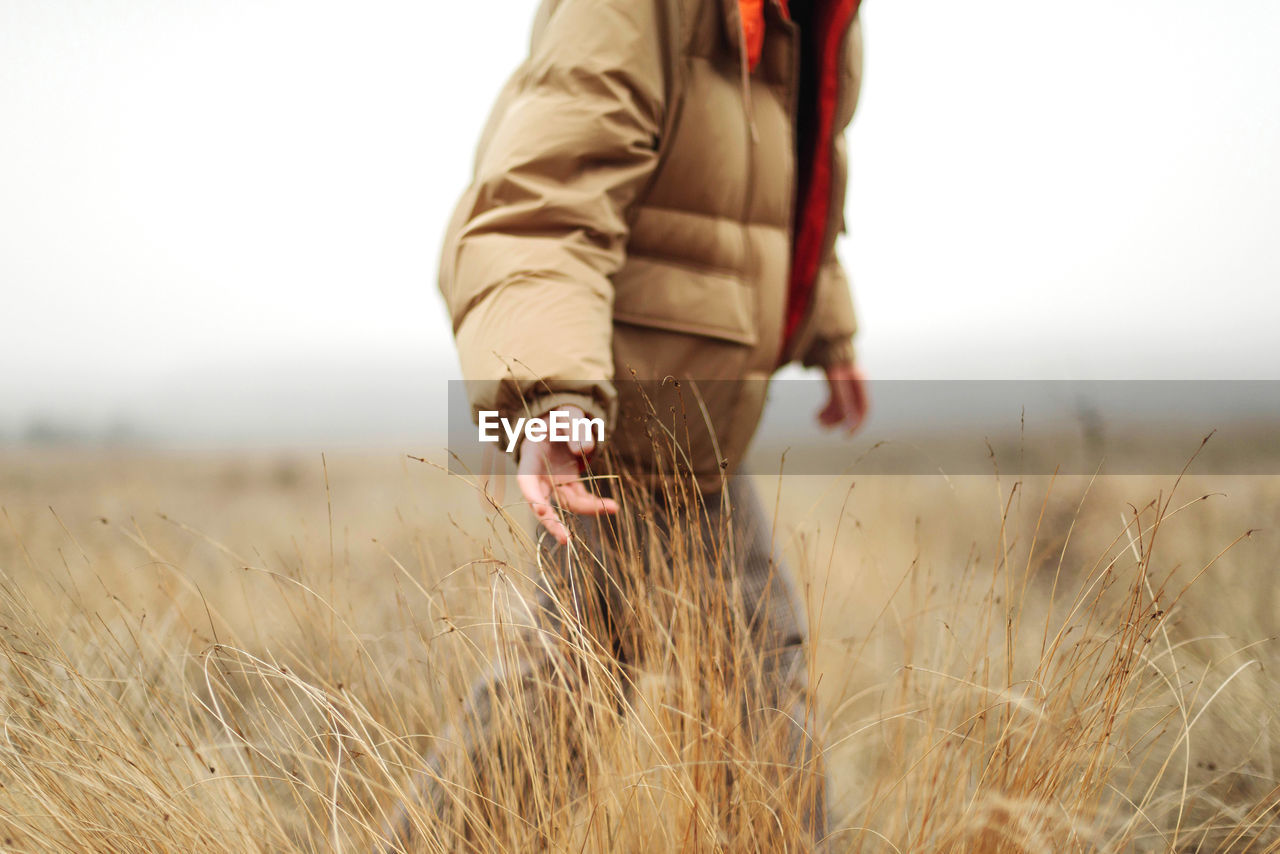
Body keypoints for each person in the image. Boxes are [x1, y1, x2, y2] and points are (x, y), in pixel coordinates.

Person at [389, 0, 868, 847]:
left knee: (752, 686)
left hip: (703, 427)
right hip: (609, 421)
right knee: (569, 688)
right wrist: (552, 394)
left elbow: (793, 184)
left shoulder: (818, 17)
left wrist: (824, 319)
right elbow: (540, 203)